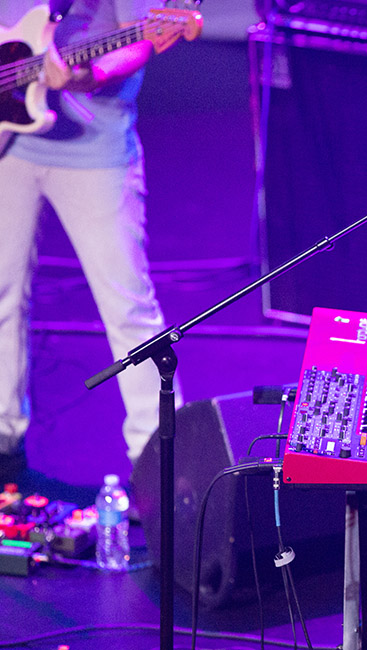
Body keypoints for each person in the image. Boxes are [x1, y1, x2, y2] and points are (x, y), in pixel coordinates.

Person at [0, 0, 180, 482]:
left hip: (94, 149)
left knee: (128, 307)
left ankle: (158, 464)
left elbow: (140, 38)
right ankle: (3, 440)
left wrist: (91, 74)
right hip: (9, 144)